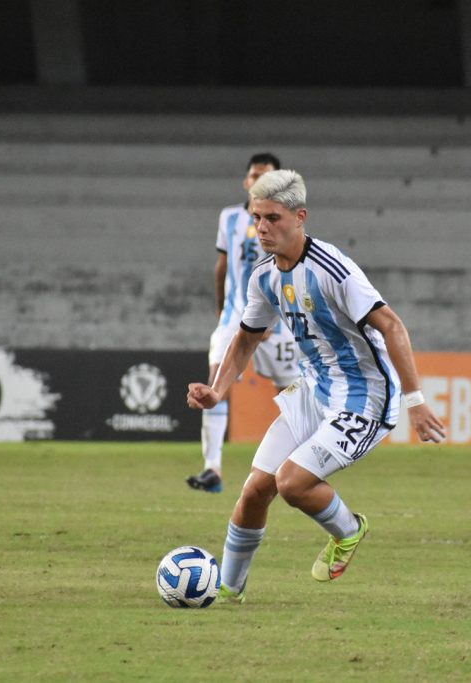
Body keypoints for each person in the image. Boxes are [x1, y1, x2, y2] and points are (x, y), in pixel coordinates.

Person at [187, 170, 445, 603]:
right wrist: (218, 389)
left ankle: (349, 530)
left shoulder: (334, 269)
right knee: (254, 491)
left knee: (292, 483)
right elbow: (247, 338)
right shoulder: (264, 275)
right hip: (314, 390)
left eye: (272, 218)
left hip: (365, 398)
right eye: (257, 218)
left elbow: (392, 324)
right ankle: (228, 590)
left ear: (300, 217)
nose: (262, 228)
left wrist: (415, 400)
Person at [187, 154, 301, 494]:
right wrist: (224, 313)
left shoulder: (286, 219)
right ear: (246, 181)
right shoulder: (230, 218)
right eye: (254, 175)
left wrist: (281, 315)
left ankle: (296, 464)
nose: (257, 181)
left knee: (291, 395)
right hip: (235, 317)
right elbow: (222, 266)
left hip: (277, 322)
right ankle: (212, 468)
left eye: (265, 176)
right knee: (215, 384)